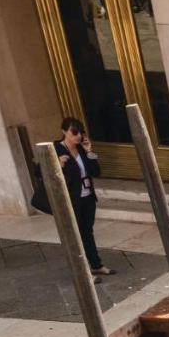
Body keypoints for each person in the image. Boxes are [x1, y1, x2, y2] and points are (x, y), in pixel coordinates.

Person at [52, 117, 113, 277]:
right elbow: (39, 170)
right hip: (71, 199)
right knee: (76, 234)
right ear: (64, 131)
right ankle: (82, 271)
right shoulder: (56, 148)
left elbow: (96, 172)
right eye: (74, 132)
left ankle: (96, 265)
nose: (78, 136)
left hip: (87, 197)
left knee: (87, 232)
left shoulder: (82, 149)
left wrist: (89, 151)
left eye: (80, 132)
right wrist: (58, 164)